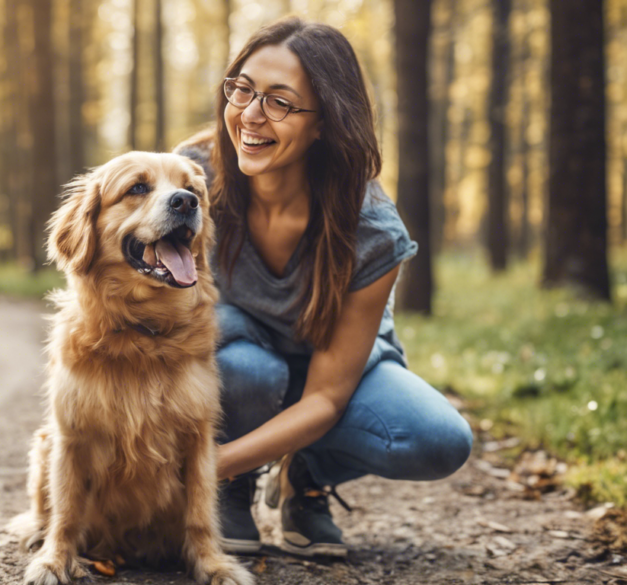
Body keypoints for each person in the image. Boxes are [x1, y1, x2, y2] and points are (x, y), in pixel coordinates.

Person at [174, 16, 473, 557]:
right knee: (238, 355)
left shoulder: (372, 229)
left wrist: (203, 468)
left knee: (439, 441)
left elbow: (327, 397)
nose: (250, 115)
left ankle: (302, 475)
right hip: (239, 366)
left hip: (332, 380)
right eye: (242, 89)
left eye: (280, 102)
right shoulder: (193, 176)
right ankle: (232, 489)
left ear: (324, 124)